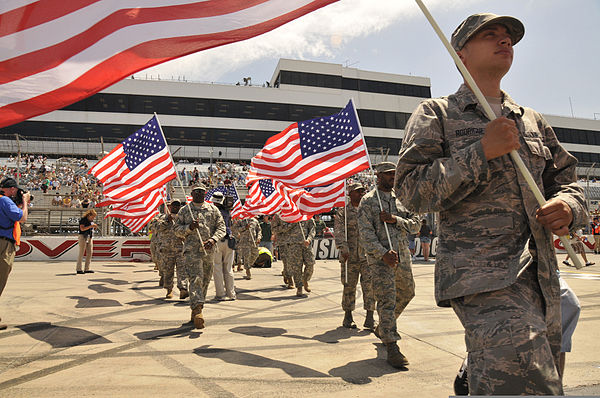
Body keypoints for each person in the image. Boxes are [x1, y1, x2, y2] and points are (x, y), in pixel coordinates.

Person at [394, 13, 588, 395]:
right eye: (490, 35)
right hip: (483, 276)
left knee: (544, 378)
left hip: (542, 278)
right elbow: (410, 190)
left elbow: (567, 181)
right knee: (527, 383)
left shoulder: (531, 120)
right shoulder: (438, 114)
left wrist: (568, 207)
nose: (505, 42)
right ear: (460, 54)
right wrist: (481, 151)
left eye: (509, 37)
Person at [358, 162, 420, 368]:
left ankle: (384, 327)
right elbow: (366, 234)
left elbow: (416, 225)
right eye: (388, 174)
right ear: (378, 175)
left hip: (402, 256)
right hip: (381, 261)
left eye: (394, 174)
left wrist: (395, 219)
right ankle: (392, 345)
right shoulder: (368, 202)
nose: (392, 177)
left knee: (408, 292)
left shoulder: (403, 198)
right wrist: (383, 254)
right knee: (386, 300)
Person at [174, 184, 225, 329]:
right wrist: (189, 228)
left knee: (205, 280)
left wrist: (213, 239)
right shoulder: (185, 210)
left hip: (208, 251)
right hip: (191, 251)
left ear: (205, 193)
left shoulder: (213, 209)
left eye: (201, 192)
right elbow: (177, 230)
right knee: (195, 278)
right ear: (191, 193)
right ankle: (197, 310)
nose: (198, 194)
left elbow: (221, 227)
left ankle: (196, 309)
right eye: (196, 192)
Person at [334, 182, 375, 330]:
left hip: (367, 256)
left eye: (362, 191)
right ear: (350, 194)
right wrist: (343, 248)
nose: (361, 193)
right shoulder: (342, 213)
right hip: (349, 257)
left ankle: (370, 316)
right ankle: (348, 315)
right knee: (349, 286)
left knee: (369, 286)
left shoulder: (368, 211)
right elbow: (338, 231)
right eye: (358, 191)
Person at [0, 178, 29, 330]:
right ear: (11, 189)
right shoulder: (5, 200)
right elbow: (22, 217)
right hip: (3, 244)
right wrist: (25, 202)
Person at [153, 200, 187, 299]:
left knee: (182, 271)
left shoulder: (183, 218)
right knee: (168, 271)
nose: (176, 207)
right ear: (170, 207)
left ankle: (183, 289)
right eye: (174, 206)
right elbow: (156, 227)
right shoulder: (161, 218)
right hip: (167, 250)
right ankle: (169, 290)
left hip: (181, 249)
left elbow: (188, 229)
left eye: (178, 205)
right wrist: (167, 220)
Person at [277, 218, 316, 297]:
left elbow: (312, 229)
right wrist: (292, 223)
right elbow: (282, 229)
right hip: (293, 244)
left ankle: (305, 279)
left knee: (310, 264)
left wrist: (309, 239)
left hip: (306, 244)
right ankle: (299, 287)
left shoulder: (308, 216)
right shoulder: (289, 216)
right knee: (296, 267)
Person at [211, 191, 236, 300]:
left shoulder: (212, 211)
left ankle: (220, 294)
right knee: (228, 268)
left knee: (217, 268)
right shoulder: (227, 211)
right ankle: (231, 293)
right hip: (229, 240)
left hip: (217, 240)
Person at [77, 209, 98, 274]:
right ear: (89, 215)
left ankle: (87, 268)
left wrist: (94, 227)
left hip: (89, 237)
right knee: (81, 252)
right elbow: (82, 229)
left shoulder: (91, 221)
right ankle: (79, 269)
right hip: (83, 236)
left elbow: (91, 228)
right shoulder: (83, 220)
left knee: (90, 253)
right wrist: (90, 226)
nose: (93, 218)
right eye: (92, 217)